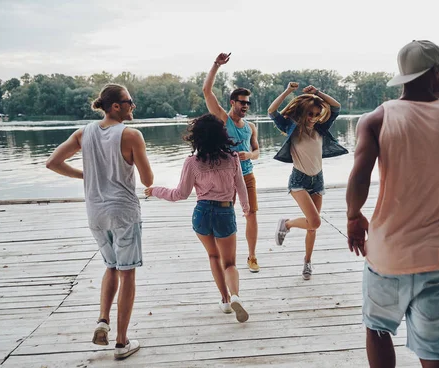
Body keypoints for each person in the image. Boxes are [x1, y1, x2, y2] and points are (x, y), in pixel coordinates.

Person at [345, 40, 439, 368]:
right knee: (433, 354)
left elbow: (359, 178)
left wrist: (353, 216)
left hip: (386, 254)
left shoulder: (376, 119)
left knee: (377, 330)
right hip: (437, 258)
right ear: (437, 71)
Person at [46, 83, 154, 360]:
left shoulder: (85, 132)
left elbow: (53, 162)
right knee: (127, 271)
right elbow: (148, 180)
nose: (133, 106)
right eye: (130, 101)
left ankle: (103, 320)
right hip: (123, 213)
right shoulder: (131, 135)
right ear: (116, 106)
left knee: (111, 266)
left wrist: (87, 176)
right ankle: (121, 342)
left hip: (95, 213)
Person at [144, 114, 250, 323]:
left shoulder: (192, 162)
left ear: (197, 137)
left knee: (213, 257)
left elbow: (180, 194)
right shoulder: (233, 158)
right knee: (229, 263)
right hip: (224, 212)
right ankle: (235, 295)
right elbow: (241, 187)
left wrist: (155, 190)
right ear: (222, 135)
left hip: (201, 213)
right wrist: (246, 209)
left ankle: (225, 301)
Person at [269, 82, 348, 279]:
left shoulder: (321, 128)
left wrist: (318, 93)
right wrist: (288, 91)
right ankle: (286, 224)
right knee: (315, 221)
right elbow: (272, 111)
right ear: (303, 113)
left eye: (316, 114)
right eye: (310, 114)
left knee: (312, 227)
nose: (313, 118)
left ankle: (307, 262)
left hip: (318, 180)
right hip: (299, 180)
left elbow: (336, 107)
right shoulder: (291, 128)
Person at [202, 53, 261, 273]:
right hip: (225, 178)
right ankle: (227, 258)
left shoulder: (251, 127)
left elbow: (257, 151)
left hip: (247, 175)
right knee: (227, 216)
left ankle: (252, 257)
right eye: (242, 102)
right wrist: (216, 65)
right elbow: (207, 92)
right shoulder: (222, 119)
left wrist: (250, 155)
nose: (245, 106)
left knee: (251, 214)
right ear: (232, 102)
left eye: (248, 103)